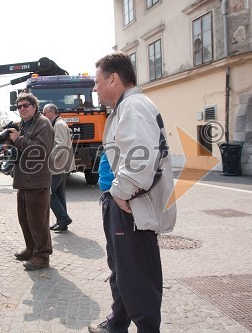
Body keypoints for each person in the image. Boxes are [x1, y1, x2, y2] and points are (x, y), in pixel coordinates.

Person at [89, 52, 177, 333]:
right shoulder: (126, 107)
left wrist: (119, 192)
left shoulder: (134, 107)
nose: (95, 88)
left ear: (113, 79)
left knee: (138, 277)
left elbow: (140, 162)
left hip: (132, 206)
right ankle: (117, 324)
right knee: (124, 272)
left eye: (97, 82)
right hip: (124, 204)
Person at [7, 92, 54, 270]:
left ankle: (42, 256)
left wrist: (18, 139)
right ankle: (31, 248)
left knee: (38, 221)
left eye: (26, 105)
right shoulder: (24, 125)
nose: (22, 109)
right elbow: (22, 148)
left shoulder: (43, 123)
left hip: (37, 180)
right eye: (19, 107)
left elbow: (40, 151)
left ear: (34, 106)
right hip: (23, 180)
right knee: (24, 219)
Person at [42, 103, 76, 232]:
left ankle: (64, 219)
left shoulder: (59, 124)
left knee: (48, 192)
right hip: (61, 165)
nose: (43, 116)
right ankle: (62, 221)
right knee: (59, 194)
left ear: (51, 112)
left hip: (57, 165)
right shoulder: (58, 123)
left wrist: (49, 160)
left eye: (44, 113)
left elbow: (61, 145)